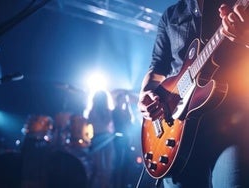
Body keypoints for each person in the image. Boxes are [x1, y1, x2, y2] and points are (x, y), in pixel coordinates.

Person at [138, 0, 249, 187]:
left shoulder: (235, 5)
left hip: (231, 125)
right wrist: (146, 93)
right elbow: (157, 67)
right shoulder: (171, 15)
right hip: (177, 130)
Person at [87, 90, 115, 188]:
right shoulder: (97, 111)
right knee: (104, 167)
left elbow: (90, 123)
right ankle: (104, 185)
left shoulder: (102, 111)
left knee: (104, 167)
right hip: (102, 138)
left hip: (103, 137)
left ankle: (105, 185)